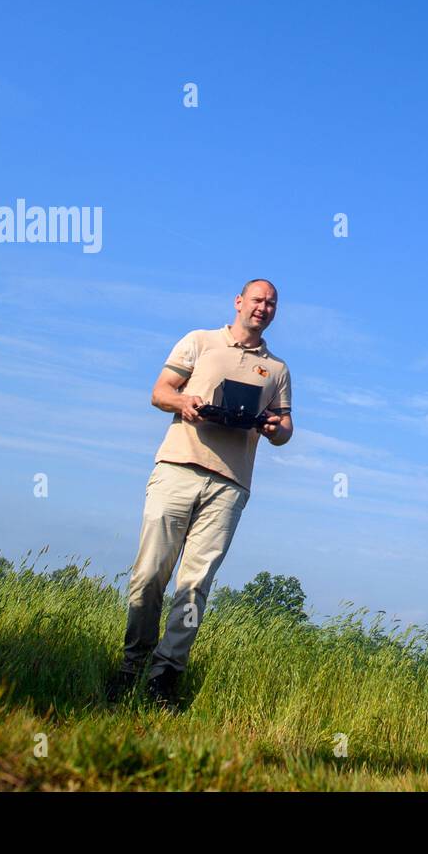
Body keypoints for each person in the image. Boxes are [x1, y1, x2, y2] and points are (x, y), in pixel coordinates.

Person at [106, 278, 292, 707]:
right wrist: (185, 403)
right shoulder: (199, 341)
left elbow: (285, 429)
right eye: (258, 300)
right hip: (176, 468)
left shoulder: (277, 369)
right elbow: (159, 392)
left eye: (272, 303)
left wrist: (271, 427)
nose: (264, 307)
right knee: (150, 573)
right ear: (239, 302)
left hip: (230, 484)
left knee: (195, 585)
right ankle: (130, 666)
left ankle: (164, 678)